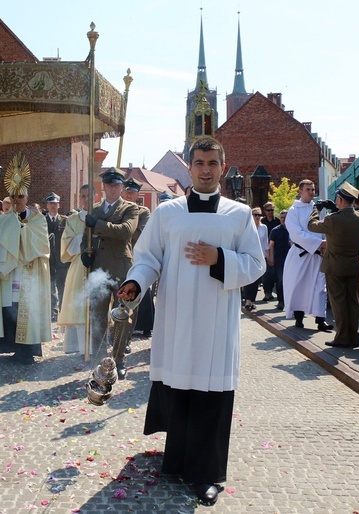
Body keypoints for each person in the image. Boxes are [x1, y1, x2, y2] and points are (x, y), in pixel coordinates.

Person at [117, 136, 264, 506]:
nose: (205, 169)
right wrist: (136, 281)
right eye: (199, 162)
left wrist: (219, 258)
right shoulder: (168, 213)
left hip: (217, 319)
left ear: (222, 168)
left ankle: (208, 474)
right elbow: (148, 257)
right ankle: (178, 461)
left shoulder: (238, 214)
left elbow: (256, 264)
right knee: (179, 388)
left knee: (211, 394)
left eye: (213, 163)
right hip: (177, 317)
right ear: (189, 166)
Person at [0, 157, 51, 365]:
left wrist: (19, 230)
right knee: (10, 309)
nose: (17, 200)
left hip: (30, 272)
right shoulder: (4, 219)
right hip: (10, 272)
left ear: (27, 196)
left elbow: (42, 244)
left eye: (20, 196)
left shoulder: (37, 218)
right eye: (13, 196)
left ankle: (28, 351)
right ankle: (13, 348)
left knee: (28, 310)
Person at [81, 168, 139, 379]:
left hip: (121, 269)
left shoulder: (130, 209)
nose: (113, 189)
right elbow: (85, 237)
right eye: (109, 185)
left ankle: (119, 359)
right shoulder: (93, 209)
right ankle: (98, 360)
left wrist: (98, 225)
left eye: (117, 185)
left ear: (122, 187)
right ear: (103, 186)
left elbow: (125, 232)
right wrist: (84, 254)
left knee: (123, 317)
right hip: (98, 269)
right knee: (97, 316)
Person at [307, 183, 359, 348]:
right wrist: (336, 209)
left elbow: (311, 226)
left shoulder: (333, 220)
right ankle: (354, 337)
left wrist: (316, 210)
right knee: (352, 302)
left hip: (335, 267)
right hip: (354, 266)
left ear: (340, 199)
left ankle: (341, 337)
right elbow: (347, 218)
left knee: (339, 303)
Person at [283, 180, 333, 331]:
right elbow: (296, 234)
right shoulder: (293, 211)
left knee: (320, 286)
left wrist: (335, 210)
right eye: (308, 190)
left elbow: (327, 226)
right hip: (300, 254)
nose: (312, 192)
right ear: (300, 191)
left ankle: (320, 319)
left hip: (318, 254)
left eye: (313, 189)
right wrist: (319, 243)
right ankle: (299, 317)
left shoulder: (317, 208)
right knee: (299, 285)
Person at [57, 185, 93, 353]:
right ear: (80, 198)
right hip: (78, 266)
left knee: (95, 305)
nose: (86, 199)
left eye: (89, 196)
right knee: (78, 307)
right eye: (83, 196)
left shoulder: (101, 217)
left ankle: (95, 346)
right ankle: (78, 346)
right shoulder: (72, 221)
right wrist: (82, 237)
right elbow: (67, 249)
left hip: (97, 266)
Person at [121, 177, 154, 340]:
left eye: (132, 193)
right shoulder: (118, 209)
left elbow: (141, 233)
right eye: (127, 192)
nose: (129, 196)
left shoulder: (143, 212)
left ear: (137, 195)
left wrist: (122, 230)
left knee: (142, 290)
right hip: (119, 254)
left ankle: (144, 325)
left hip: (136, 253)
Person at [45, 192, 68, 322]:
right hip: (48, 259)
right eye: (50, 204)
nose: (53, 206)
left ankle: (63, 312)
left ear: (59, 205)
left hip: (61, 259)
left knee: (62, 286)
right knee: (49, 286)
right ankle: (52, 311)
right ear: (47, 206)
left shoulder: (65, 220)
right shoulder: (42, 221)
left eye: (55, 204)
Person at [242, 207, 268, 311]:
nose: (257, 217)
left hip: (260, 256)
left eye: (259, 215)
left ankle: (252, 301)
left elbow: (266, 243)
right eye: (255, 214)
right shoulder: (247, 227)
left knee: (256, 280)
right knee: (248, 278)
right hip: (248, 255)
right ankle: (247, 300)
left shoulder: (264, 227)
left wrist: (269, 257)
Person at [268, 210, 290, 310]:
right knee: (280, 282)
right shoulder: (275, 230)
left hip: (291, 261)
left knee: (291, 283)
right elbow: (271, 246)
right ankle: (281, 301)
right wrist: (271, 257)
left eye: (285, 217)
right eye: (281, 217)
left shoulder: (293, 230)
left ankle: (290, 303)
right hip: (279, 260)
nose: (283, 219)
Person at [260, 201, 280, 300]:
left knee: (274, 273)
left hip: (276, 249)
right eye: (268, 210)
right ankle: (267, 292)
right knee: (266, 272)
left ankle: (271, 290)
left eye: (272, 210)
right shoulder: (262, 222)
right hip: (265, 250)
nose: (271, 212)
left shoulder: (278, 221)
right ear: (265, 211)